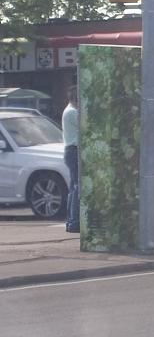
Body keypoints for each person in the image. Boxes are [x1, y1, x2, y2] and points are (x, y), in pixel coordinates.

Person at [62, 86, 80, 233]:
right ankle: (74, 221)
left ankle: (71, 220)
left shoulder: (69, 111)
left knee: (73, 187)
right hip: (74, 150)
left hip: (71, 150)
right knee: (76, 187)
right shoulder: (73, 112)